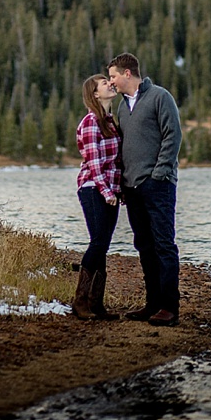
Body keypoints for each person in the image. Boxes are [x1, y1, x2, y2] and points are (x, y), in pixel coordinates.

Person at [107, 51, 184, 326]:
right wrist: (124, 184)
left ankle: (169, 308)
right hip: (132, 188)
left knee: (163, 244)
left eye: (113, 76)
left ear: (127, 73)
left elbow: (172, 136)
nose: (111, 81)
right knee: (144, 246)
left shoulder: (160, 97)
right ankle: (152, 304)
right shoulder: (122, 107)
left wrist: (159, 174)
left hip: (158, 185)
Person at [72, 73, 122, 319]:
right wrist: (106, 191)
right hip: (93, 187)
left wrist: (117, 190)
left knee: (102, 243)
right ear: (94, 94)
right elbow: (94, 162)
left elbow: (115, 161)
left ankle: (96, 304)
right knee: (99, 242)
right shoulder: (91, 121)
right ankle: (80, 302)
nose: (110, 84)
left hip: (110, 188)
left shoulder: (111, 121)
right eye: (104, 83)